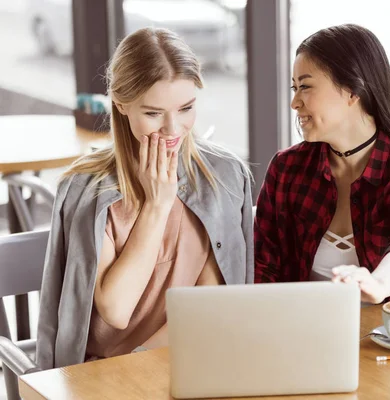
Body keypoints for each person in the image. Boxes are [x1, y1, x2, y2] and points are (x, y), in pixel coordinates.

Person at [36, 27, 253, 369]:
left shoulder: (225, 177)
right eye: (153, 113)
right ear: (121, 105)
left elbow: (211, 303)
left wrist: (145, 364)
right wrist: (157, 205)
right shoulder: (86, 190)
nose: (173, 129)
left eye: (186, 108)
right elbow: (117, 312)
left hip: (186, 359)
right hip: (102, 374)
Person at [254, 24, 390, 304]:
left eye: (305, 87)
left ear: (352, 90)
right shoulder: (287, 168)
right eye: (295, 88)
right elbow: (264, 268)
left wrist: (377, 284)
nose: (294, 102)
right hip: (304, 333)